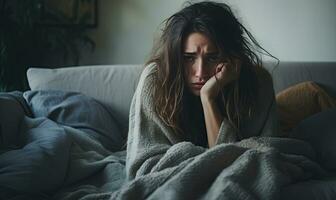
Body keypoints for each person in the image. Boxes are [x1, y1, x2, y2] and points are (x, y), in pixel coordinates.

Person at [126, 1, 279, 180]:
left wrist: (208, 98)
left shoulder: (259, 83)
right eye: (188, 58)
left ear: (232, 56)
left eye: (213, 57)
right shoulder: (155, 80)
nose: (200, 72)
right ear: (175, 58)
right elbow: (143, 168)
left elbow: (265, 156)